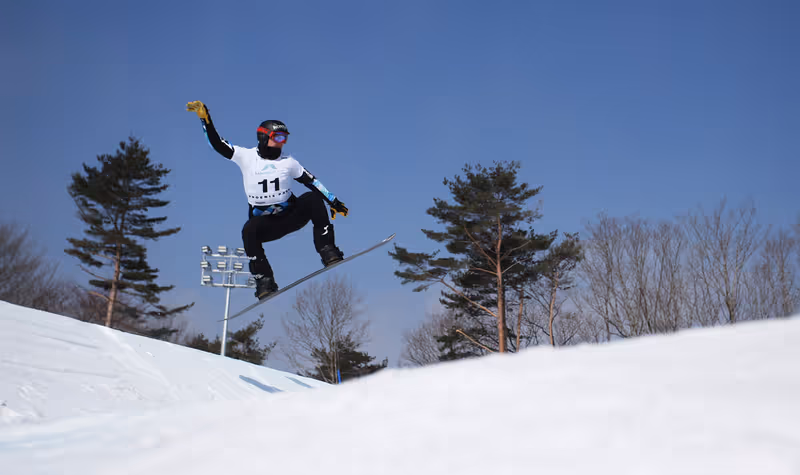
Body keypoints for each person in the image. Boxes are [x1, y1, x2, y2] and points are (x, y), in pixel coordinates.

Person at [186, 100, 349, 301]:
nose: (282, 142)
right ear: (264, 137)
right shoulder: (246, 157)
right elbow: (217, 144)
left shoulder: (288, 162)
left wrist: (333, 201)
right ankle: (264, 281)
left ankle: (328, 250)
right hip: (267, 226)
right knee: (248, 230)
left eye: (285, 138)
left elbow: (312, 181)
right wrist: (206, 120)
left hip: (292, 215)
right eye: (278, 137)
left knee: (313, 199)